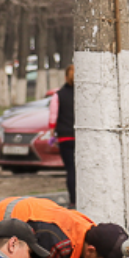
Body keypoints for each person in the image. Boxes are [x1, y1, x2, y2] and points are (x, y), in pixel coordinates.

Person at [54, 65, 77, 205]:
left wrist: (52, 132)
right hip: (81, 138)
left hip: (65, 137)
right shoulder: (84, 94)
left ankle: (73, 200)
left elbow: (53, 115)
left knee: (71, 170)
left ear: (65, 77)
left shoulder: (59, 95)